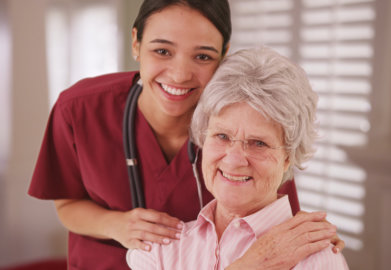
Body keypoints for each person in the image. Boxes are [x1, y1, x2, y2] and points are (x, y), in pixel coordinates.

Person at [28, 0, 343, 269]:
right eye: (162, 50)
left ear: (224, 54)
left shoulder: (247, 123)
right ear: (136, 42)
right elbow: (67, 203)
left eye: (203, 56)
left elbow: (278, 226)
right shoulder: (80, 109)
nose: (179, 74)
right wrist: (117, 224)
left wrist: (314, 245)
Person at [127, 46, 349, 270]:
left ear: (288, 157)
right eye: (222, 136)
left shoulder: (318, 260)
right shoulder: (159, 250)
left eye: (258, 143)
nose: (234, 160)